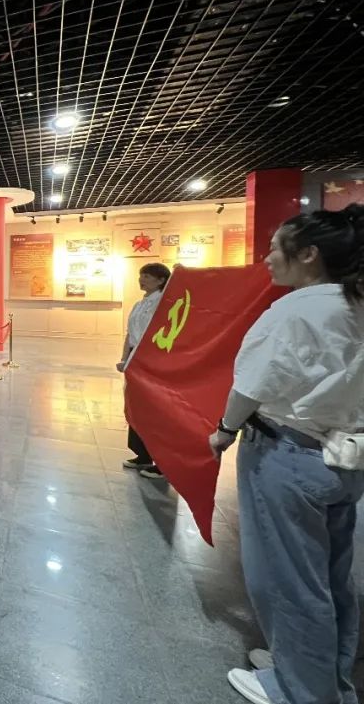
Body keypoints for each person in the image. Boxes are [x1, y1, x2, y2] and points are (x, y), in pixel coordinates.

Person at [208, 205, 364, 704]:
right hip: (342, 458)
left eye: (276, 248)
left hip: (288, 455)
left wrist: (225, 430)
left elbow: (252, 386)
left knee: (289, 579)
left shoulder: (295, 311)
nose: (267, 258)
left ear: (309, 254)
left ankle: (300, 690)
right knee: (331, 576)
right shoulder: (355, 304)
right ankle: (328, 676)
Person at [117, 263, 171, 479]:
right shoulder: (139, 304)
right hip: (136, 359)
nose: (142, 280)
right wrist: (125, 358)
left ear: (161, 280)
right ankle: (143, 454)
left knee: (156, 411)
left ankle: (164, 461)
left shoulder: (164, 302)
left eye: (147, 276)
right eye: (141, 275)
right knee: (136, 407)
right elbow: (130, 334)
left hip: (154, 360)